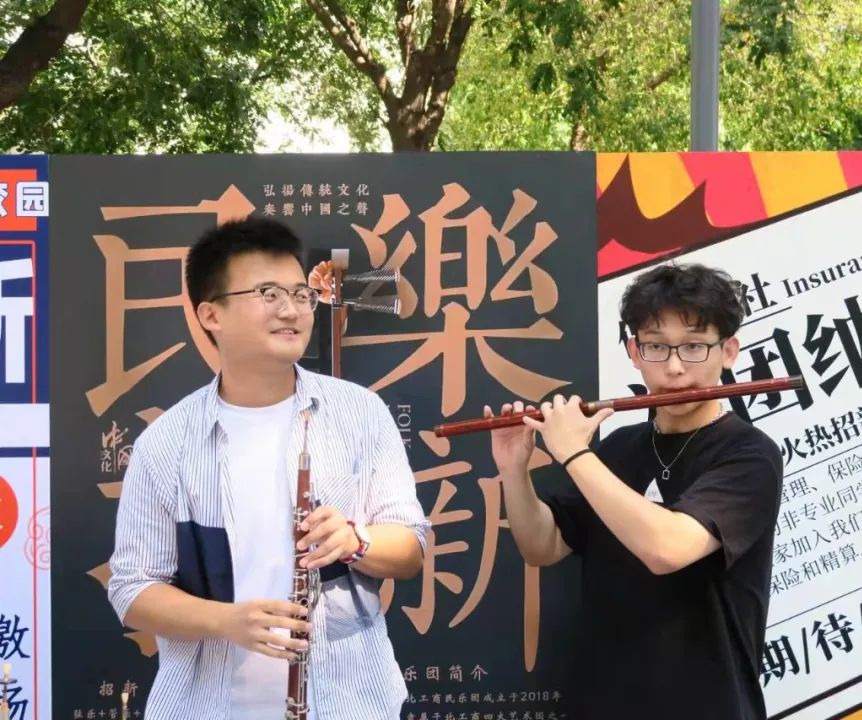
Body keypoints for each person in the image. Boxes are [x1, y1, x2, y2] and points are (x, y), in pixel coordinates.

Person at [108, 217, 429, 720]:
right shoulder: (165, 444)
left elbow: (411, 548)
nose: (292, 310)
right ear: (211, 313)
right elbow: (132, 588)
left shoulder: (361, 413)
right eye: (268, 293)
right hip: (208, 705)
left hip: (347, 702)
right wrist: (226, 621)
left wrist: (356, 540)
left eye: (301, 294)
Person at [487, 262, 784, 720]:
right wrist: (513, 470)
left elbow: (668, 548)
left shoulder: (750, 454)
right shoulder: (619, 448)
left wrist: (573, 453)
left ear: (728, 351)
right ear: (634, 351)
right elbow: (542, 545)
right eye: (656, 347)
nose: (675, 368)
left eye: (694, 347)